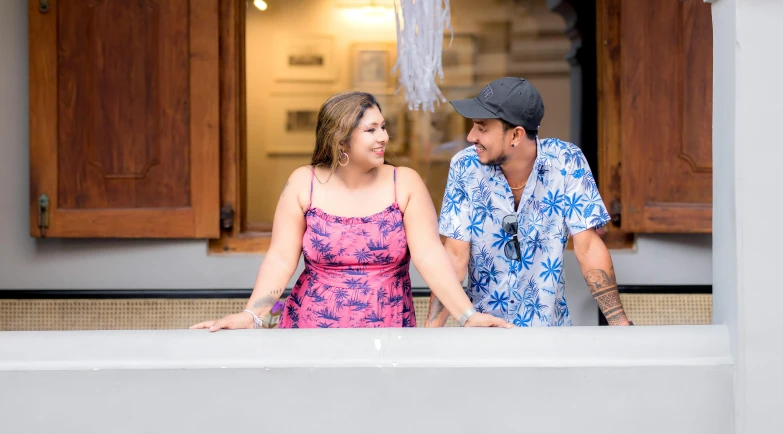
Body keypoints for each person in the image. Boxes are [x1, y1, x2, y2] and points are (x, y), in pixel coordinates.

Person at [191, 91, 511, 331]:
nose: (383, 137)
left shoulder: (405, 183)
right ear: (341, 139)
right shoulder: (304, 183)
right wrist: (253, 315)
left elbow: (430, 256)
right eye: (371, 130)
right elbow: (280, 258)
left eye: (383, 127)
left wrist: (466, 316)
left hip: (388, 329)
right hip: (310, 330)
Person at [426, 77, 632, 327]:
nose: (471, 137)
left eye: (482, 128)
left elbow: (588, 247)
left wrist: (622, 326)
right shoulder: (464, 167)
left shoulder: (566, 161)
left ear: (516, 134)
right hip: (483, 331)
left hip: (548, 332)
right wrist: (431, 332)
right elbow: (455, 255)